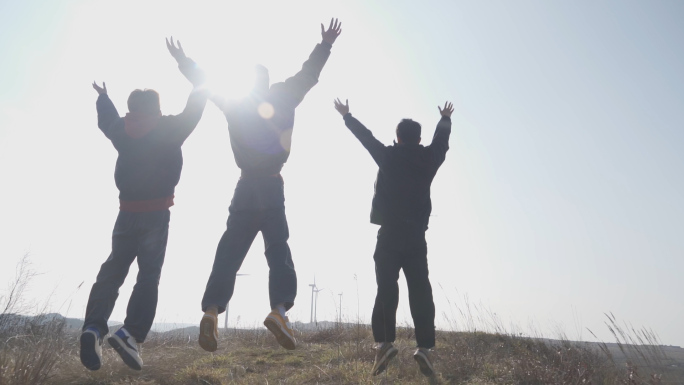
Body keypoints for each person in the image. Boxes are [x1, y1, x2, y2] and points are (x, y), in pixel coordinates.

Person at [166, 19, 342, 352]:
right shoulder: (285, 95)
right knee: (278, 250)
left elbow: (205, 82)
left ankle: (211, 311)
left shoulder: (235, 102)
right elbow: (309, 73)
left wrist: (183, 60)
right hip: (272, 186)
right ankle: (278, 312)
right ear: (269, 81)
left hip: (244, 188)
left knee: (230, 251)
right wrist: (325, 44)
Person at [79, 48, 209, 371]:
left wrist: (103, 98)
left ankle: (93, 327)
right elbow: (201, 93)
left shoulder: (124, 130)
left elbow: (107, 121)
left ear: (132, 110)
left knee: (112, 271)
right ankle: (131, 333)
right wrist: (184, 63)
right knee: (148, 276)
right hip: (156, 215)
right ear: (158, 109)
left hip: (125, 214)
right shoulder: (171, 129)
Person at [333, 98, 453, 377]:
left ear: (397, 138)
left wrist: (347, 116)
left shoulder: (388, 155)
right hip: (415, 236)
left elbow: (367, 139)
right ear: (419, 139)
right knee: (420, 290)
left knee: (387, 287)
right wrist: (445, 120)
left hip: (389, 234)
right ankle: (424, 348)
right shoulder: (428, 159)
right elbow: (441, 144)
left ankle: (385, 344)